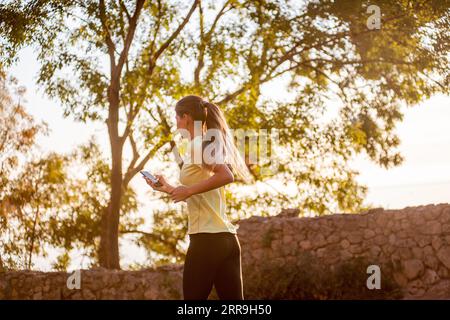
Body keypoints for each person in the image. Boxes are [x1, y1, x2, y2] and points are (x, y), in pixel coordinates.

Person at [144, 95, 253, 300]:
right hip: (227, 240)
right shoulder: (206, 144)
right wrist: (168, 188)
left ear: (186, 117)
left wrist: (188, 191)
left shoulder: (198, 145)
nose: (176, 123)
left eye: (177, 118)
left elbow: (226, 175)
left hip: (206, 240)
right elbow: (202, 193)